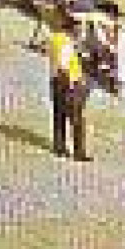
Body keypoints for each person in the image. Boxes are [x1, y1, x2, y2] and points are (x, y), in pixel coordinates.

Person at [48, 22, 90, 162]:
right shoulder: (66, 44)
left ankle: (59, 146)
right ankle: (79, 152)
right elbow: (64, 66)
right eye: (78, 31)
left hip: (55, 82)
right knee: (77, 119)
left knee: (59, 115)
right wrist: (72, 84)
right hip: (69, 84)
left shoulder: (55, 39)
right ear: (71, 30)